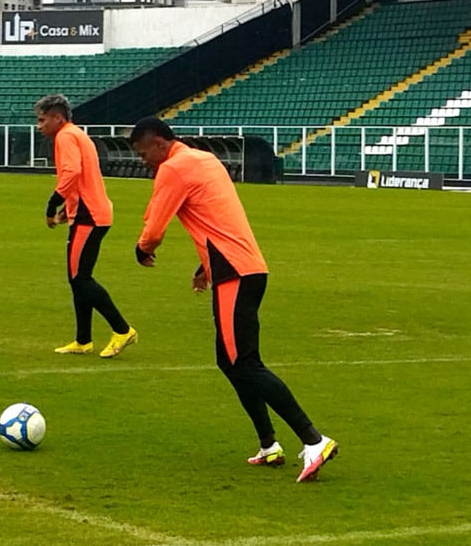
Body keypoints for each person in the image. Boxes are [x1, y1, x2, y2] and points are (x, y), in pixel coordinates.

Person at [129, 117, 337, 483]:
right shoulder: (204, 159)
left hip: (234, 275)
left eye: (145, 152)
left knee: (245, 363)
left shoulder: (174, 168)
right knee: (230, 361)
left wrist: (142, 249)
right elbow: (218, 218)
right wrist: (205, 266)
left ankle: (314, 440)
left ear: (160, 143)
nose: (144, 160)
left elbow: (154, 228)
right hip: (245, 268)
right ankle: (269, 444)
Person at [34, 94, 137, 358]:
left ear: (58, 118)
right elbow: (82, 179)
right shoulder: (77, 134)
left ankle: (122, 330)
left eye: (42, 120)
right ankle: (83, 341)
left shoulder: (66, 136)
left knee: (80, 278)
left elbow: (72, 172)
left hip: (89, 216)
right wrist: (67, 211)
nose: (39, 126)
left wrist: (51, 205)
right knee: (78, 278)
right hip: (90, 212)